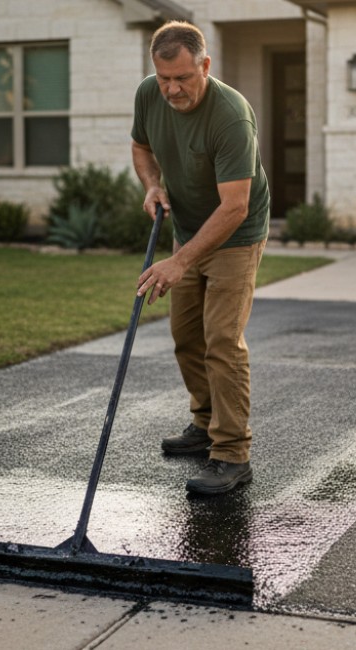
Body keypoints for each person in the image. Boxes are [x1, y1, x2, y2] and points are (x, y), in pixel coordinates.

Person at [131, 20, 270, 496]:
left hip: (236, 235)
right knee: (186, 335)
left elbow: (235, 207)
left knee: (222, 341)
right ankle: (205, 423)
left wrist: (179, 261)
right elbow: (141, 146)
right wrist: (152, 184)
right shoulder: (148, 94)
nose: (172, 89)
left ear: (205, 66)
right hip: (189, 228)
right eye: (164, 78)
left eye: (183, 78)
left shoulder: (230, 115)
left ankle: (232, 453)